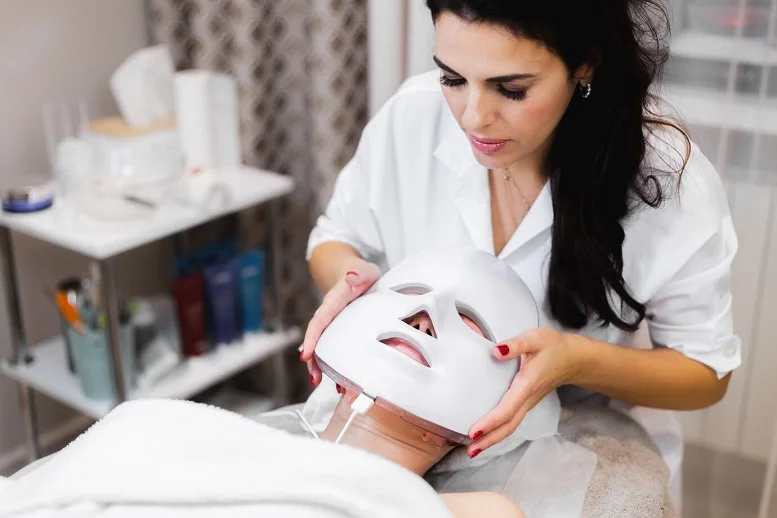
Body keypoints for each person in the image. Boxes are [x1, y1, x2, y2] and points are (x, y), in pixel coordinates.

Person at [299, 0, 740, 508]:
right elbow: (333, 239)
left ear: (584, 65)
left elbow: (705, 376)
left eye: (511, 89)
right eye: (452, 78)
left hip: (573, 441)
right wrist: (355, 282)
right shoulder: (412, 116)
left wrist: (573, 361)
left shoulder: (664, 182)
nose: (473, 117)